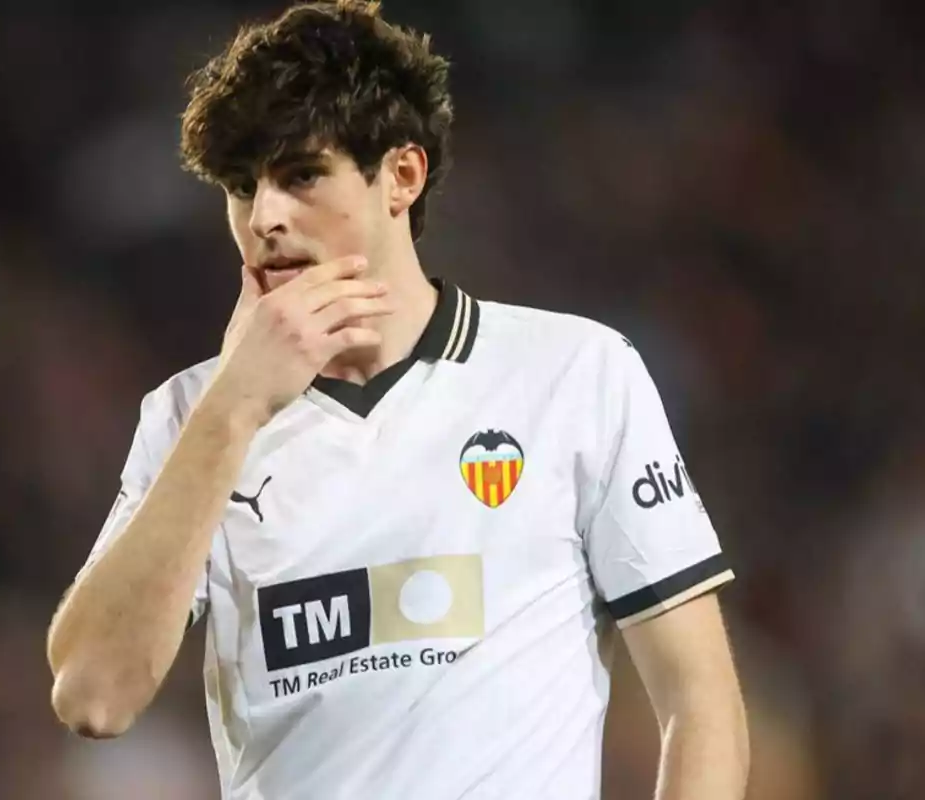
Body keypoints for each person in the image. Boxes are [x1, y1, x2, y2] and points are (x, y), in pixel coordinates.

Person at [46, 1, 749, 797]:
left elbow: (700, 703)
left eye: (301, 175)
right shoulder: (191, 416)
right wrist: (235, 408)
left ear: (401, 177)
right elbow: (93, 695)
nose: (266, 217)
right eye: (243, 188)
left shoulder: (575, 374)